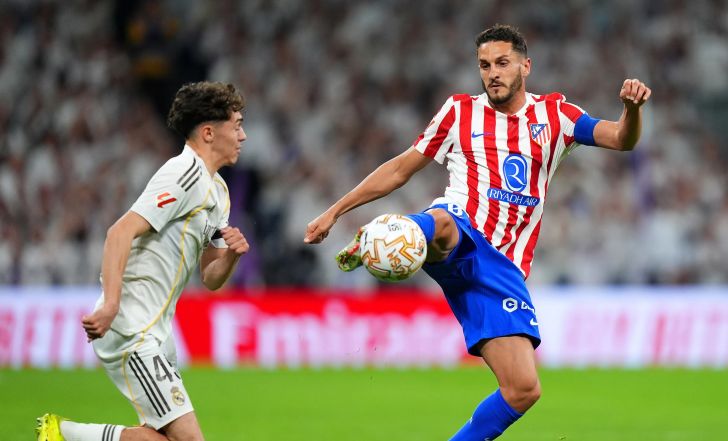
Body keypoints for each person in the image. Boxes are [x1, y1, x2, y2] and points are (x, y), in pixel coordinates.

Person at [304, 24, 651, 440]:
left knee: (523, 390)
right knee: (444, 220)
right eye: (484, 65)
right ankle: (387, 235)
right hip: (458, 229)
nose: (492, 73)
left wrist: (631, 110)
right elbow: (399, 169)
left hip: (501, 268)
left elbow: (621, 138)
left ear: (526, 66)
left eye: (502, 63)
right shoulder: (458, 112)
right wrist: (335, 212)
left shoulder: (556, 115)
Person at [36, 81, 250, 441]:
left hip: (158, 332)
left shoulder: (218, 192)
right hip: (131, 326)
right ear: (209, 132)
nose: (243, 136)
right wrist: (111, 305)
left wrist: (230, 256)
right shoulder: (183, 174)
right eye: (237, 125)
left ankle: (64, 433)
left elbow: (210, 278)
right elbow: (119, 233)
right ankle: (65, 434)